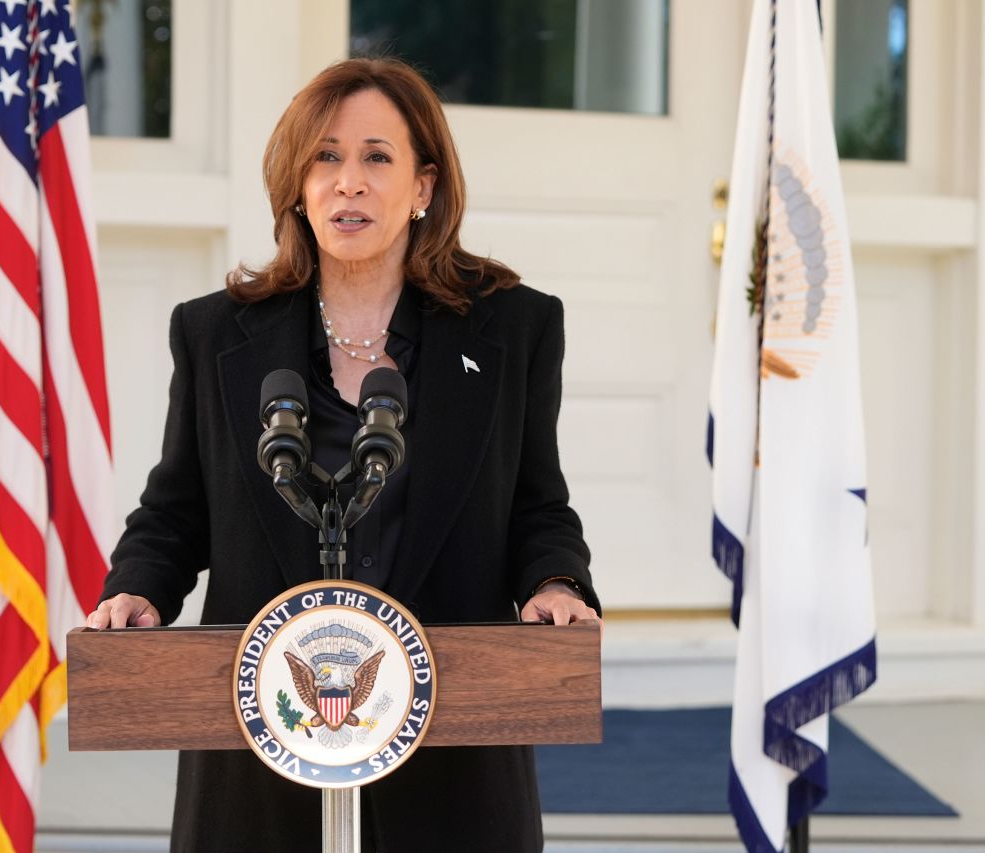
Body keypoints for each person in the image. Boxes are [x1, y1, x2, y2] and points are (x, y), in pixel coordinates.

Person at [85, 57, 601, 853]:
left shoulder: (513, 330)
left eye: (376, 157)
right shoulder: (216, 332)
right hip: (266, 752)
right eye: (324, 157)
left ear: (424, 188)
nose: (348, 182)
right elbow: (178, 505)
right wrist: (138, 590)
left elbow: (536, 500)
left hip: (450, 751)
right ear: (296, 183)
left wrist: (555, 581)